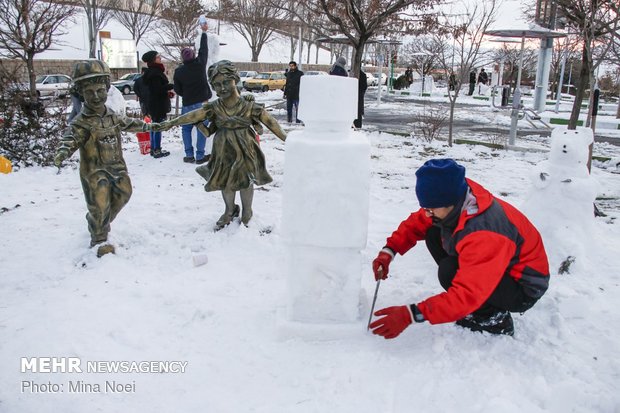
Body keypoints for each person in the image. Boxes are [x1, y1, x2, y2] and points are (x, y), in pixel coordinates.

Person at [369, 159, 550, 338]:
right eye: (425, 208)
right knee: (433, 231)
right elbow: (417, 222)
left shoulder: (484, 232)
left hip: (523, 287)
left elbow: (468, 293)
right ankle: (477, 294)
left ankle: (493, 319)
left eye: (431, 209)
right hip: (498, 266)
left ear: (450, 203)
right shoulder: (458, 197)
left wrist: (410, 314)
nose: (426, 213)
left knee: (449, 271)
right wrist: (389, 251)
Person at [153, 60, 287, 229]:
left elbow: (271, 123)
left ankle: (247, 211)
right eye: (216, 85)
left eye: (226, 82)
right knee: (226, 180)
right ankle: (229, 210)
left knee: (246, 180)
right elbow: (192, 116)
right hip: (223, 148)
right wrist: (168, 124)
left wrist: (288, 139)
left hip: (246, 146)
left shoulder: (249, 105)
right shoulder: (214, 107)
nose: (222, 88)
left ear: (235, 79)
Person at [54, 60, 154, 258]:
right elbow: (70, 138)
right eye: (89, 92)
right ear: (81, 93)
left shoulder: (112, 116)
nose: (96, 96)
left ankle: (99, 221)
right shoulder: (81, 122)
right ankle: (99, 237)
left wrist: (150, 127)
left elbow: (128, 123)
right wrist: (63, 151)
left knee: (125, 193)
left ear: (107, 89)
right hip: (94, 171)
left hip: (117, 167)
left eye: (100, 90)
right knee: (99, 203)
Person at [173, 20, 213, 164]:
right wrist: (204, 32)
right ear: (193, 55)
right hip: (202, 103)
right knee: (202, 128)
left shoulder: (179, 72)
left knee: (186, 129)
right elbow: (204, 49)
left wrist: (186, 94)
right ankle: (200, 156)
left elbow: (177, 89)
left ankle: (189, 155)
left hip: (187, 104)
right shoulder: (200, 64)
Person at [142, 50, 173, 158]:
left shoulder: (152, 72)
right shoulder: (155, 73)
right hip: (157, 104)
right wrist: (170, 86)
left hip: (154, 103)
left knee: (154, 126)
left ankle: (153, 148)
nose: (160, 58)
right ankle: (157, 149)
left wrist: (167, 93)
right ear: (153, 60)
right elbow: (157, 89)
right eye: (158, 57)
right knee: (157, 126)